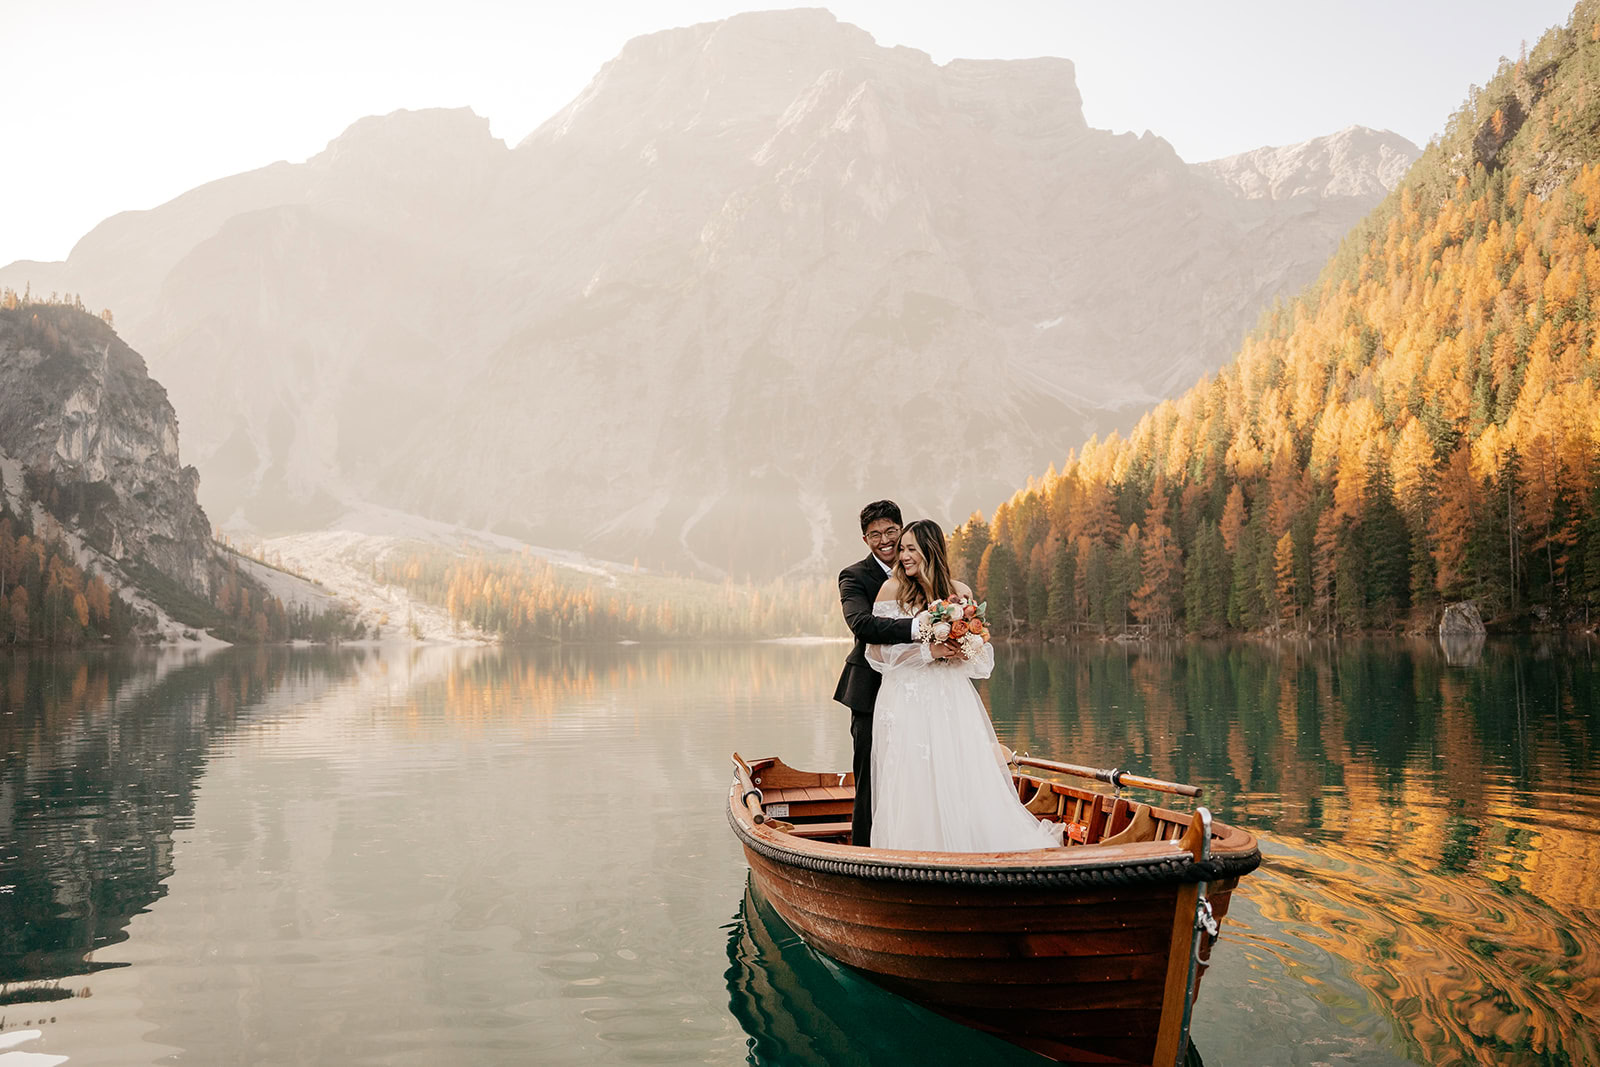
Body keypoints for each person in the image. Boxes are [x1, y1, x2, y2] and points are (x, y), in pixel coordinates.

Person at [866, 519, 1062, 852]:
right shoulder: (891, 590)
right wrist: (931, 650)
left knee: (959, 767)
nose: (904, 555)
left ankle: (969, 846)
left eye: (911, 548)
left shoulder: (961, 593)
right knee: (914, 773)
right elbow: (878, 652)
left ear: (931, 550)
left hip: (950, 695)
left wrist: (961, 650)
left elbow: (979, 652)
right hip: (907, 696)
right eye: (902, 549)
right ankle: (916, 851)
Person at [833, 500, 944, 847]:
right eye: (875, 534)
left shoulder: (925, 570)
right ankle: (864, 850)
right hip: (871, 688)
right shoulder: (854, 576)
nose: (885, 540)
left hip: (925, 690)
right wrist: (922, 628)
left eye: (891, 531)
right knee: (871, 773)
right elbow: (861, 624)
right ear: (865, 539)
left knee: (924, 769)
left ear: (902, 530)